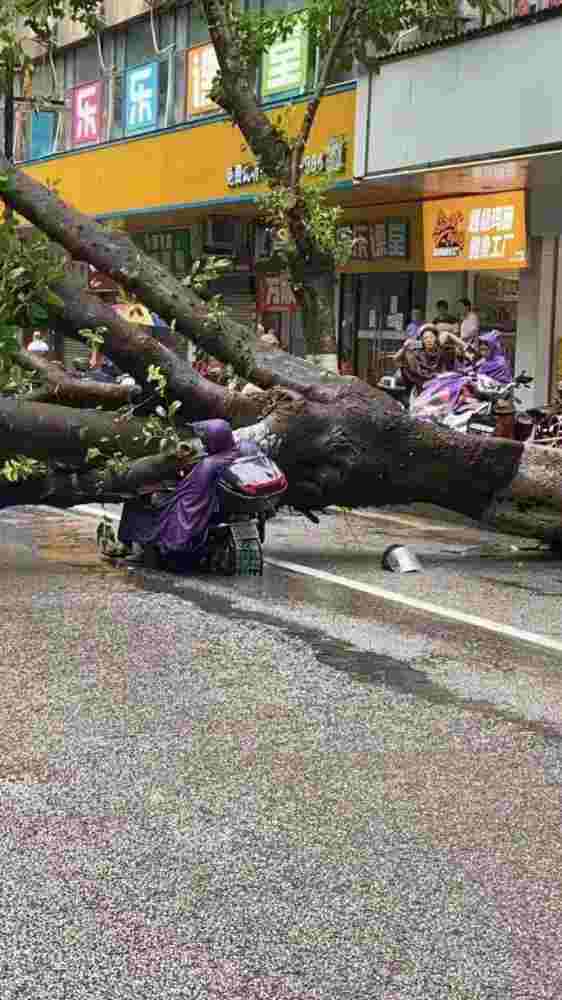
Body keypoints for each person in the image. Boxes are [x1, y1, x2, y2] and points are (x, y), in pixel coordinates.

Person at [117, 419, 256, 568]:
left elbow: (186, 497)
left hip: (195, 514)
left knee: (135, 500)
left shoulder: (207, 466)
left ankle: (141, 552)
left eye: (206, 440)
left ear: (215, 440)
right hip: (222, 506)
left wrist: (163, 488)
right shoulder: (241, 450)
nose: (203, 443)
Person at [394, 324, 448, 392]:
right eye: (425, 338)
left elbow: (444, 372)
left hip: (438, 388)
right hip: (419, 390)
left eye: (431, 337)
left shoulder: (440, 353)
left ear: (436, 338)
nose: (429, 340)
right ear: (422, 340)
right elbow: (396, 359)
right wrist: (405, 347)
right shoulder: (415, 353)